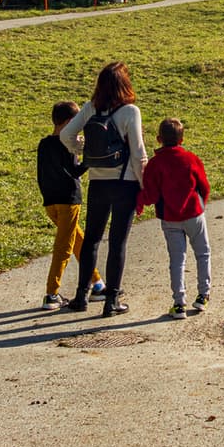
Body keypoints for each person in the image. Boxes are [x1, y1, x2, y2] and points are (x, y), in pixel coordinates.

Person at [58, 61, 147, 316]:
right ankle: (112, 301)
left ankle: (81, 296)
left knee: (92, 241)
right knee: (118, 242)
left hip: (98, 182)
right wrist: (143, 185)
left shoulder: (90, 108)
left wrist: (82, 151)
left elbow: (66, 136)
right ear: (124, 84)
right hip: (124, 182)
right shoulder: (130, 111)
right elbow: (139, 153)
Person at [137, 116, 212, 319]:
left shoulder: (155, 164)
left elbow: (151, 195)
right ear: (182, 138)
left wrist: (140, 201)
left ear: (159, 139)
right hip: (194, 213)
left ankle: (179, 303)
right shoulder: (191, 159)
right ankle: (203, 295)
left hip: (170, 217)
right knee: (202, 253)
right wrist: (201, 204)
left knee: (177, 260)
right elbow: (204, 186)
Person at [35, 101, 87, 308]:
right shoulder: (68, 144)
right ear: (69, 122)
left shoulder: (44, 144)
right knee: (64, 248)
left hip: (51, 202)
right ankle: (52, 293)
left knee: (78, 241)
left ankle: (97, 283)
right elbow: (75, 172)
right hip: (69, 200)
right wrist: (88, 159)